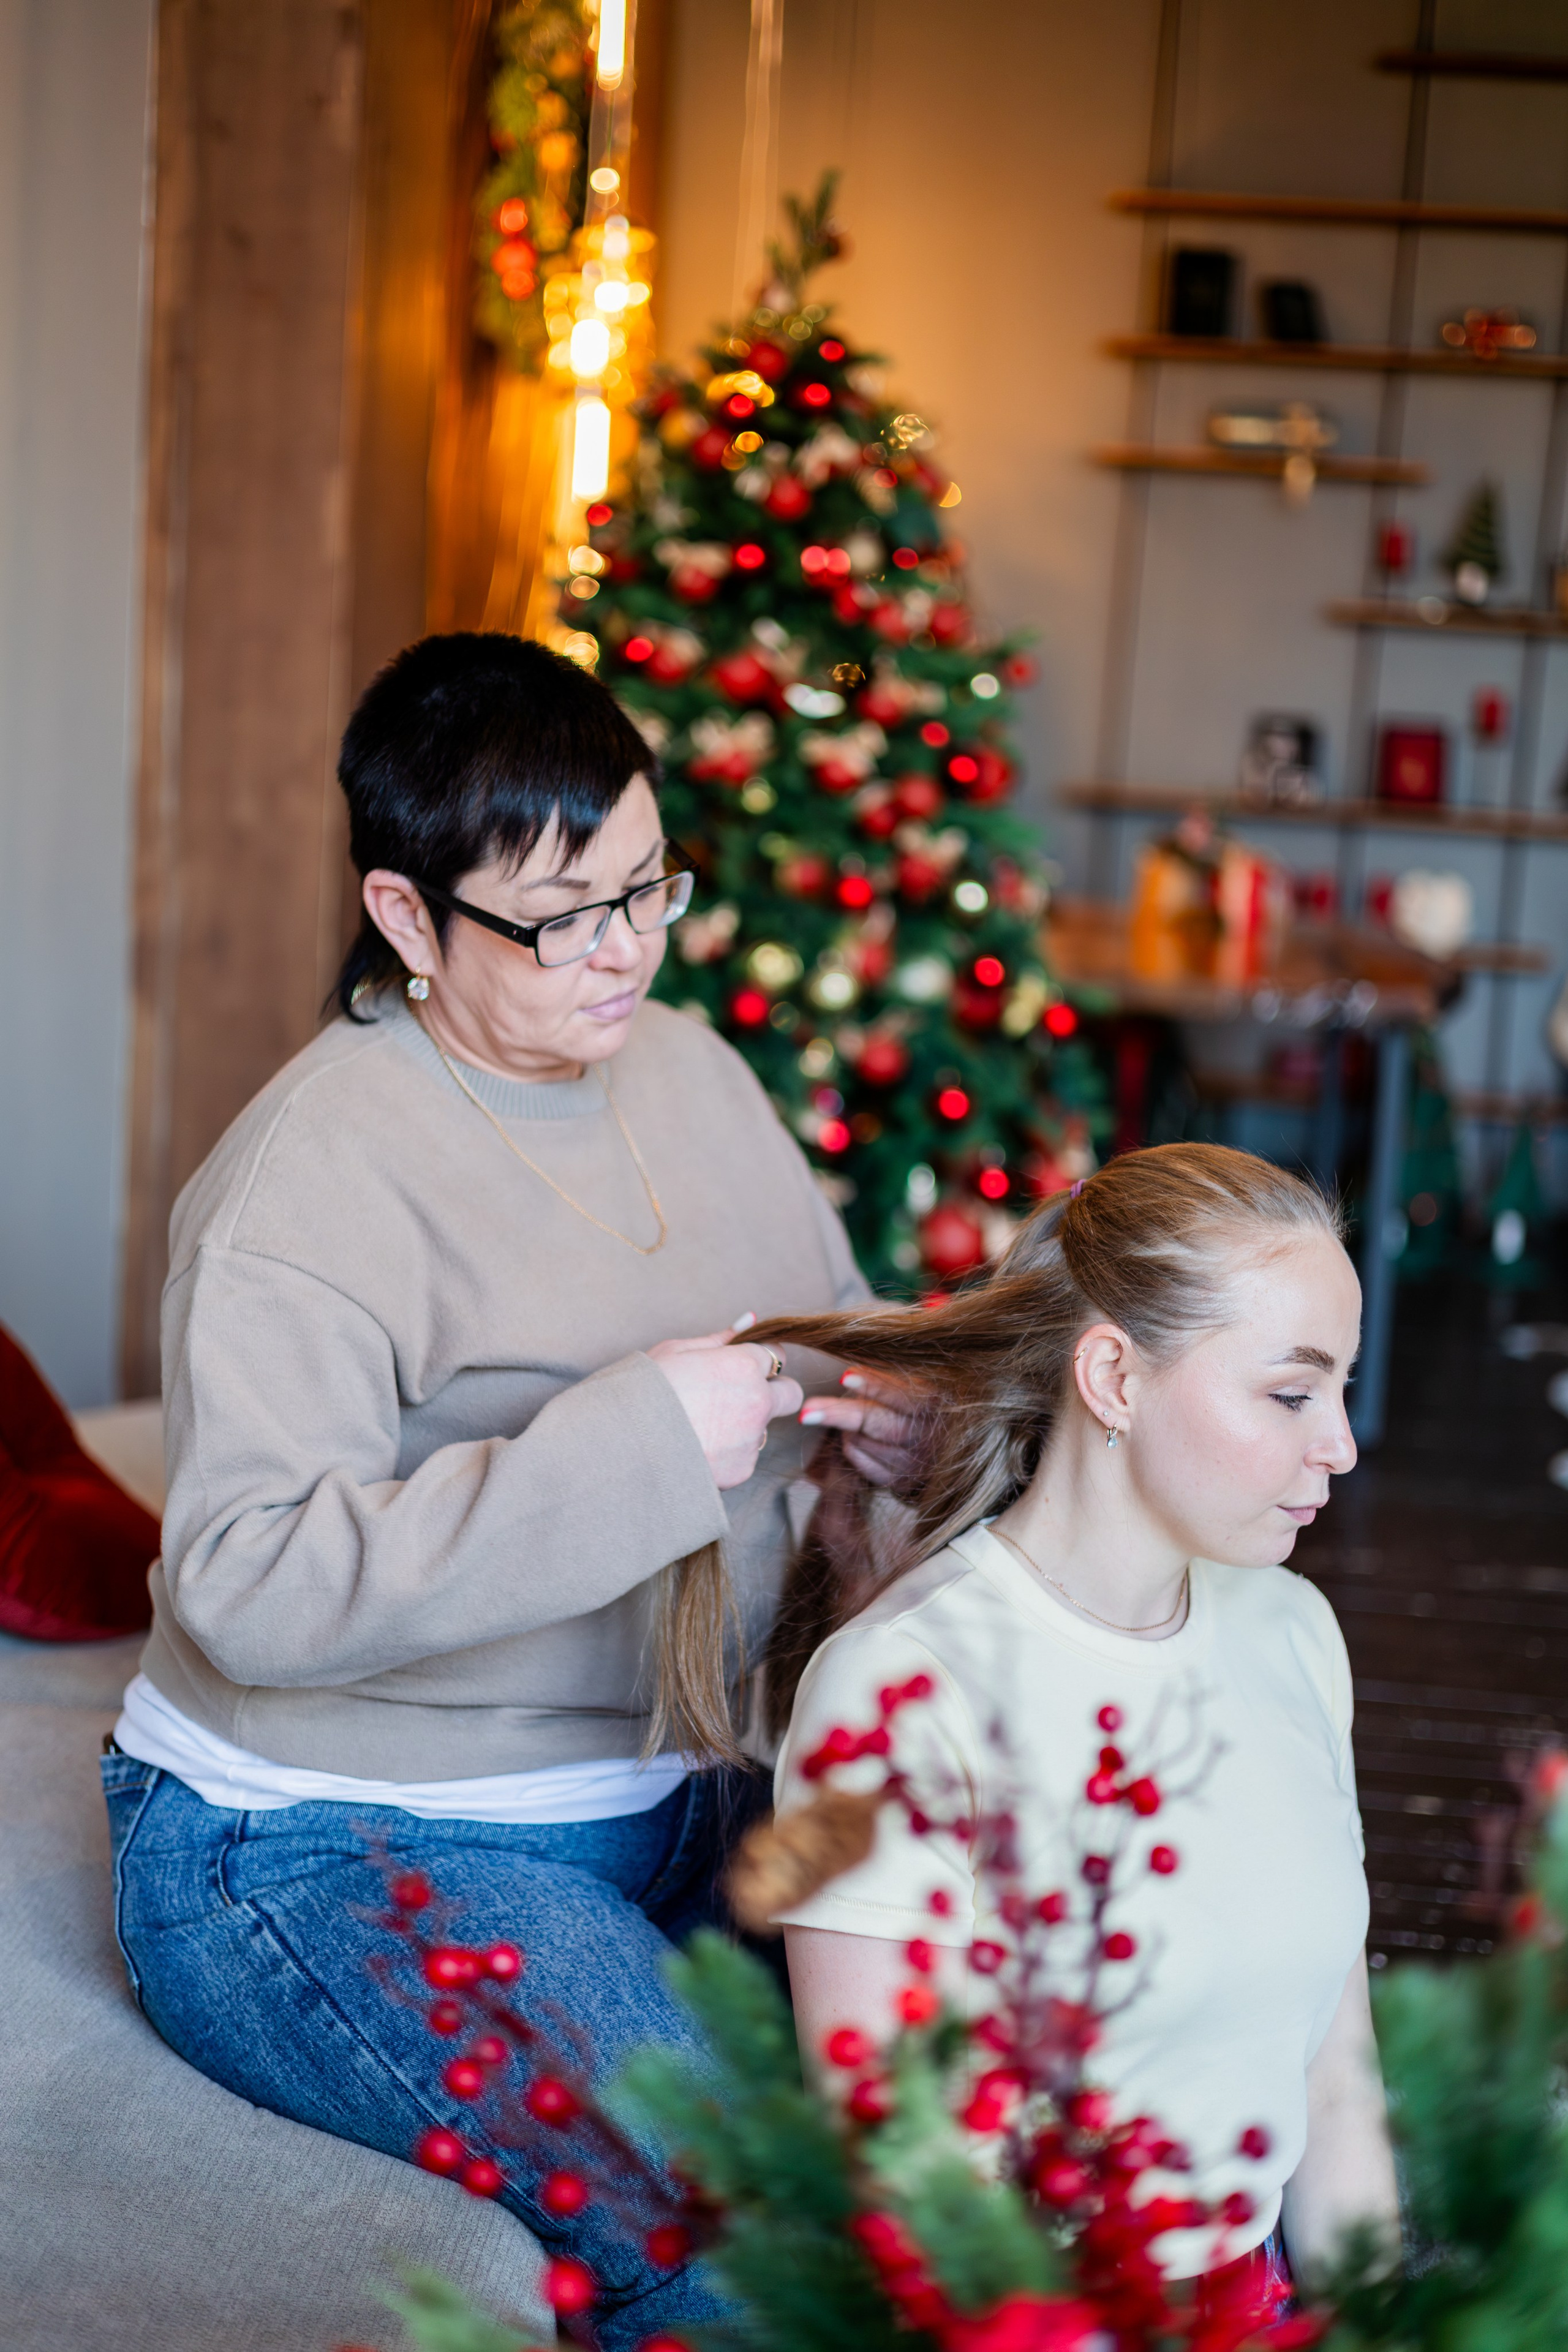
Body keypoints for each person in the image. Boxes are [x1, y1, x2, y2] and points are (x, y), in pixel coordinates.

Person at [100, 632, 913, 2349]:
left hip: (681, 1774)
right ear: (407, 919)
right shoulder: (305, 1180)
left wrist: (877, 1408)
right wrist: (633, 1447)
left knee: (985, 2096)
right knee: (755, 2238)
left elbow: (827, 1326)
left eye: (647, 886)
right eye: (560, 918)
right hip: (334, 1834)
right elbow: (245, 1580)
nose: (625, 950)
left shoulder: (687, 1068)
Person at [750, 1144, 1401, 2292]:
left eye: (1340, 1390)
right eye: (1292, 1395)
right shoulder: (900, 1688)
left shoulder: (1293, 1631)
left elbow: (1336, 2078)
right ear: (1113, 1377)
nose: (1340, 1444)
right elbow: (918, 2204)